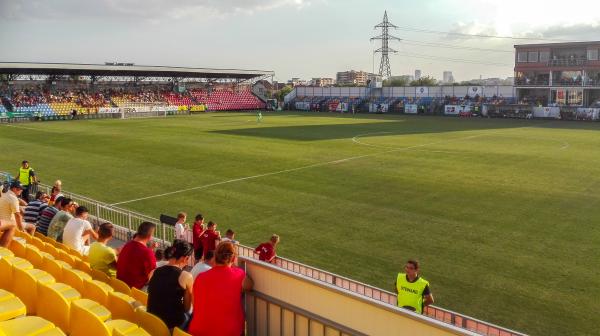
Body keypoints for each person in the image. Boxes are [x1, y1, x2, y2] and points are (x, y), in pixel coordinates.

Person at [188, 242, 253, 336]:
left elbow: (194, 304)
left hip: (198, 331)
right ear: (233, 258)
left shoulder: (200, 277)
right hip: (228, 332)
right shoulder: (239, 274)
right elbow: (250, 285)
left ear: (215, 257)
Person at [147, 239, 194, 330]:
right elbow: (187, 308)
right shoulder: (186, 276)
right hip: (170, 325)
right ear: (185, 258)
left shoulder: (154, 272)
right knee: (191, 316)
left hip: (151, 319)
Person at [117, 222, 157, 289]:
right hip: (134, 290)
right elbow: (153, 276)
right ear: (150, 236)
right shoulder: (147, 253)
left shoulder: (127, 245)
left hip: (120, 286)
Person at [0, 181, 24, 247]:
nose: (21, 190)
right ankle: (3, 249)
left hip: (2, 220)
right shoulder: (13, 198)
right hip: (5, 223)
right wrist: (21, 229)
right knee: (14, 225)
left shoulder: (4, 192)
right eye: (19, 189)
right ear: (14, 189)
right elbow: (17, 216)